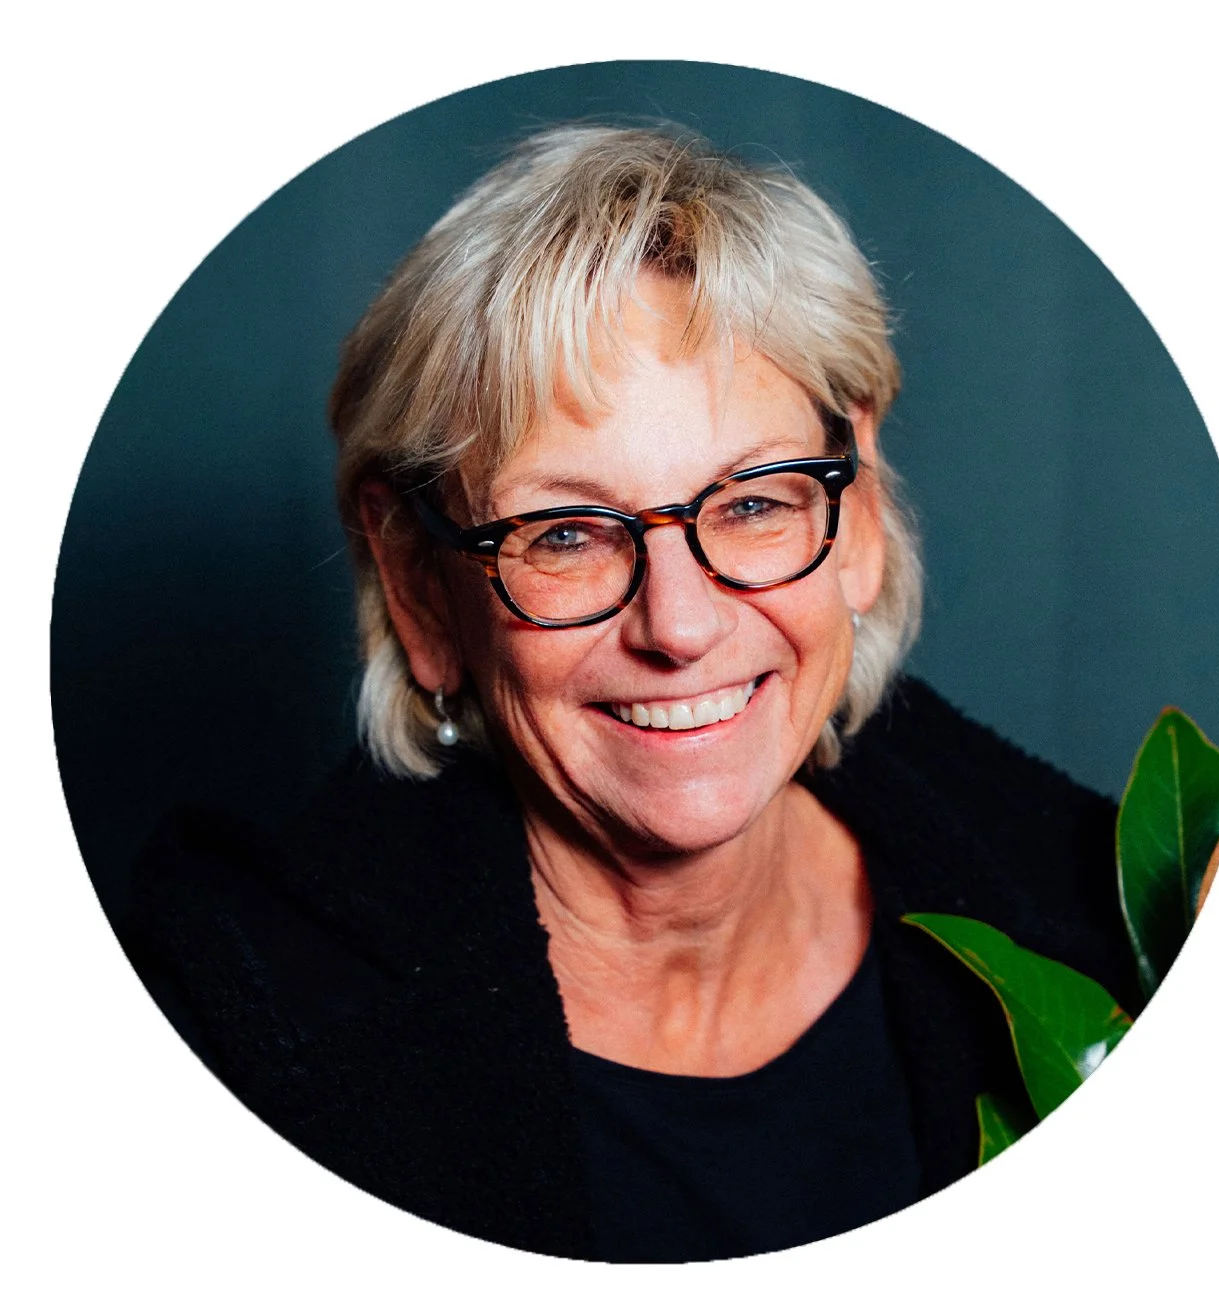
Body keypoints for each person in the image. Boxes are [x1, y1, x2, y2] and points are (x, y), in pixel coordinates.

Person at [124, 124, 1140, 1261]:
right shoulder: (225, 1043)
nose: (681, 626)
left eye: (753, 502)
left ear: (853, 511)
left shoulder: (1119, 921)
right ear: (417, 583)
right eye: (565, 532)